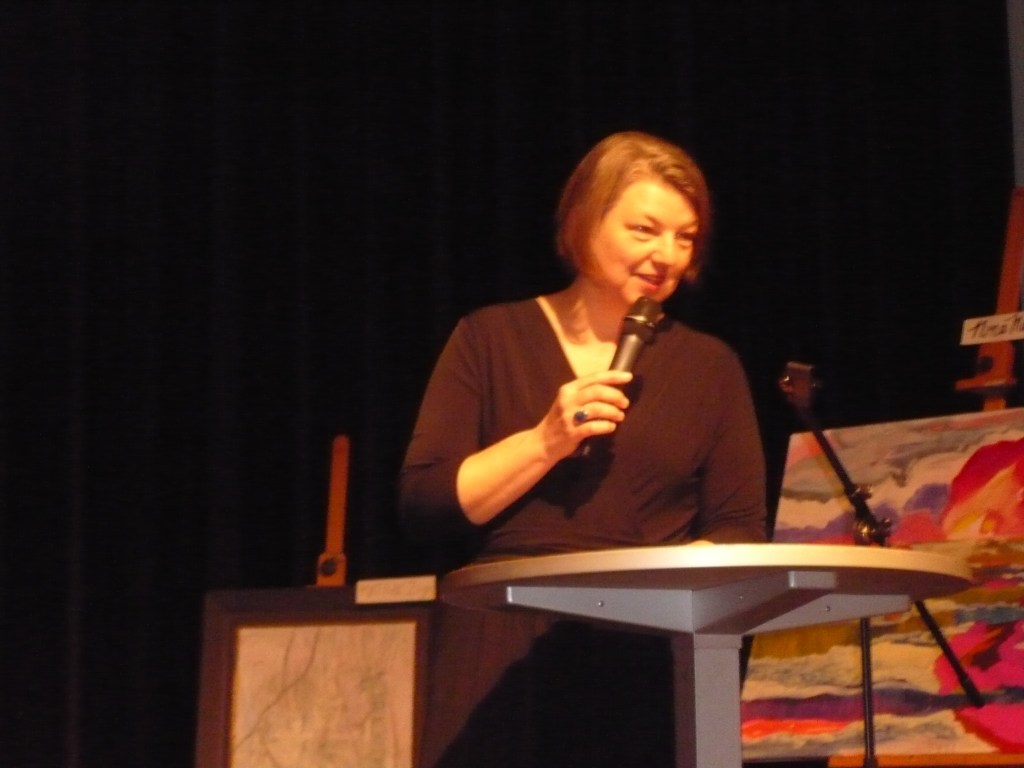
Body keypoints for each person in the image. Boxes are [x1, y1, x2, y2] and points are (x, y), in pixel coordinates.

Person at [399, 130, 767, 768]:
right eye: (645, 230)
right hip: (501, 641)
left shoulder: (711, 367)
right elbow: (425, 505)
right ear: (585, 220)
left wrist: (680, 569)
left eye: (685, 238)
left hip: (644, 649)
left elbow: (739, 526)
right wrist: (545, 440)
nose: (666, 256)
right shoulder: (490, 338)